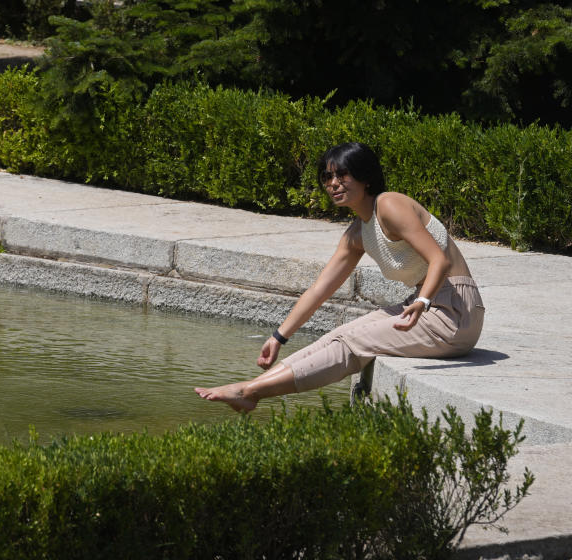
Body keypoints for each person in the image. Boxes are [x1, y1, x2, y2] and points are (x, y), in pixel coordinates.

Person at [194, 142, 484, 412]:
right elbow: (320, 289)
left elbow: (440, 259)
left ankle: (250, 393)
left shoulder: (390, 205)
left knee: (352, 341)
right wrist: (278, 337)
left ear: (365, 178)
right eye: (326, 177)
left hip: (454, 312)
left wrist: (422, 300)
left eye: (342, 175)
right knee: (336, 336)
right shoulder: (358, 233)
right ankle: (250, 388)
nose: (333, 184)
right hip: (427, 307)